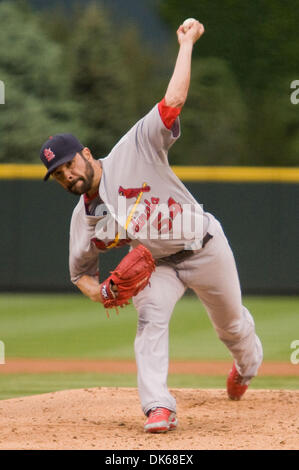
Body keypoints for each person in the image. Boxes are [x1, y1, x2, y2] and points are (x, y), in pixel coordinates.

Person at [40, 20, 263, 434]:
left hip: (205, 245)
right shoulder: (85, 219)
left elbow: (174, 99)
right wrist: (102, 292)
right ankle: (158, 407)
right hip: (157, 264)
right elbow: (80, 275)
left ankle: (246, 367)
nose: (67, 175)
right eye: (57, 174)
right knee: (150, 318)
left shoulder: (134, 146)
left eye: (69, 164)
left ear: (87, 154)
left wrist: (186, 43)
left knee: (231, 328)